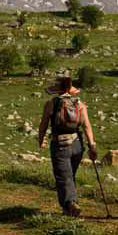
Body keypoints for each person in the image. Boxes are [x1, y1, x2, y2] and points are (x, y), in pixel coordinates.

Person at [38, 74, 98, 217]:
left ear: (57, 90)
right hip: (77, 144)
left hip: (60, 144)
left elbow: (43, 125)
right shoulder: (79, 104)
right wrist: (92, 146)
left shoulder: (51, 104)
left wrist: (41, 140)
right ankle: (70, 204)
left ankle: (70, 204)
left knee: (63, 177)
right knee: (70, 175)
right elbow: (87, 126)